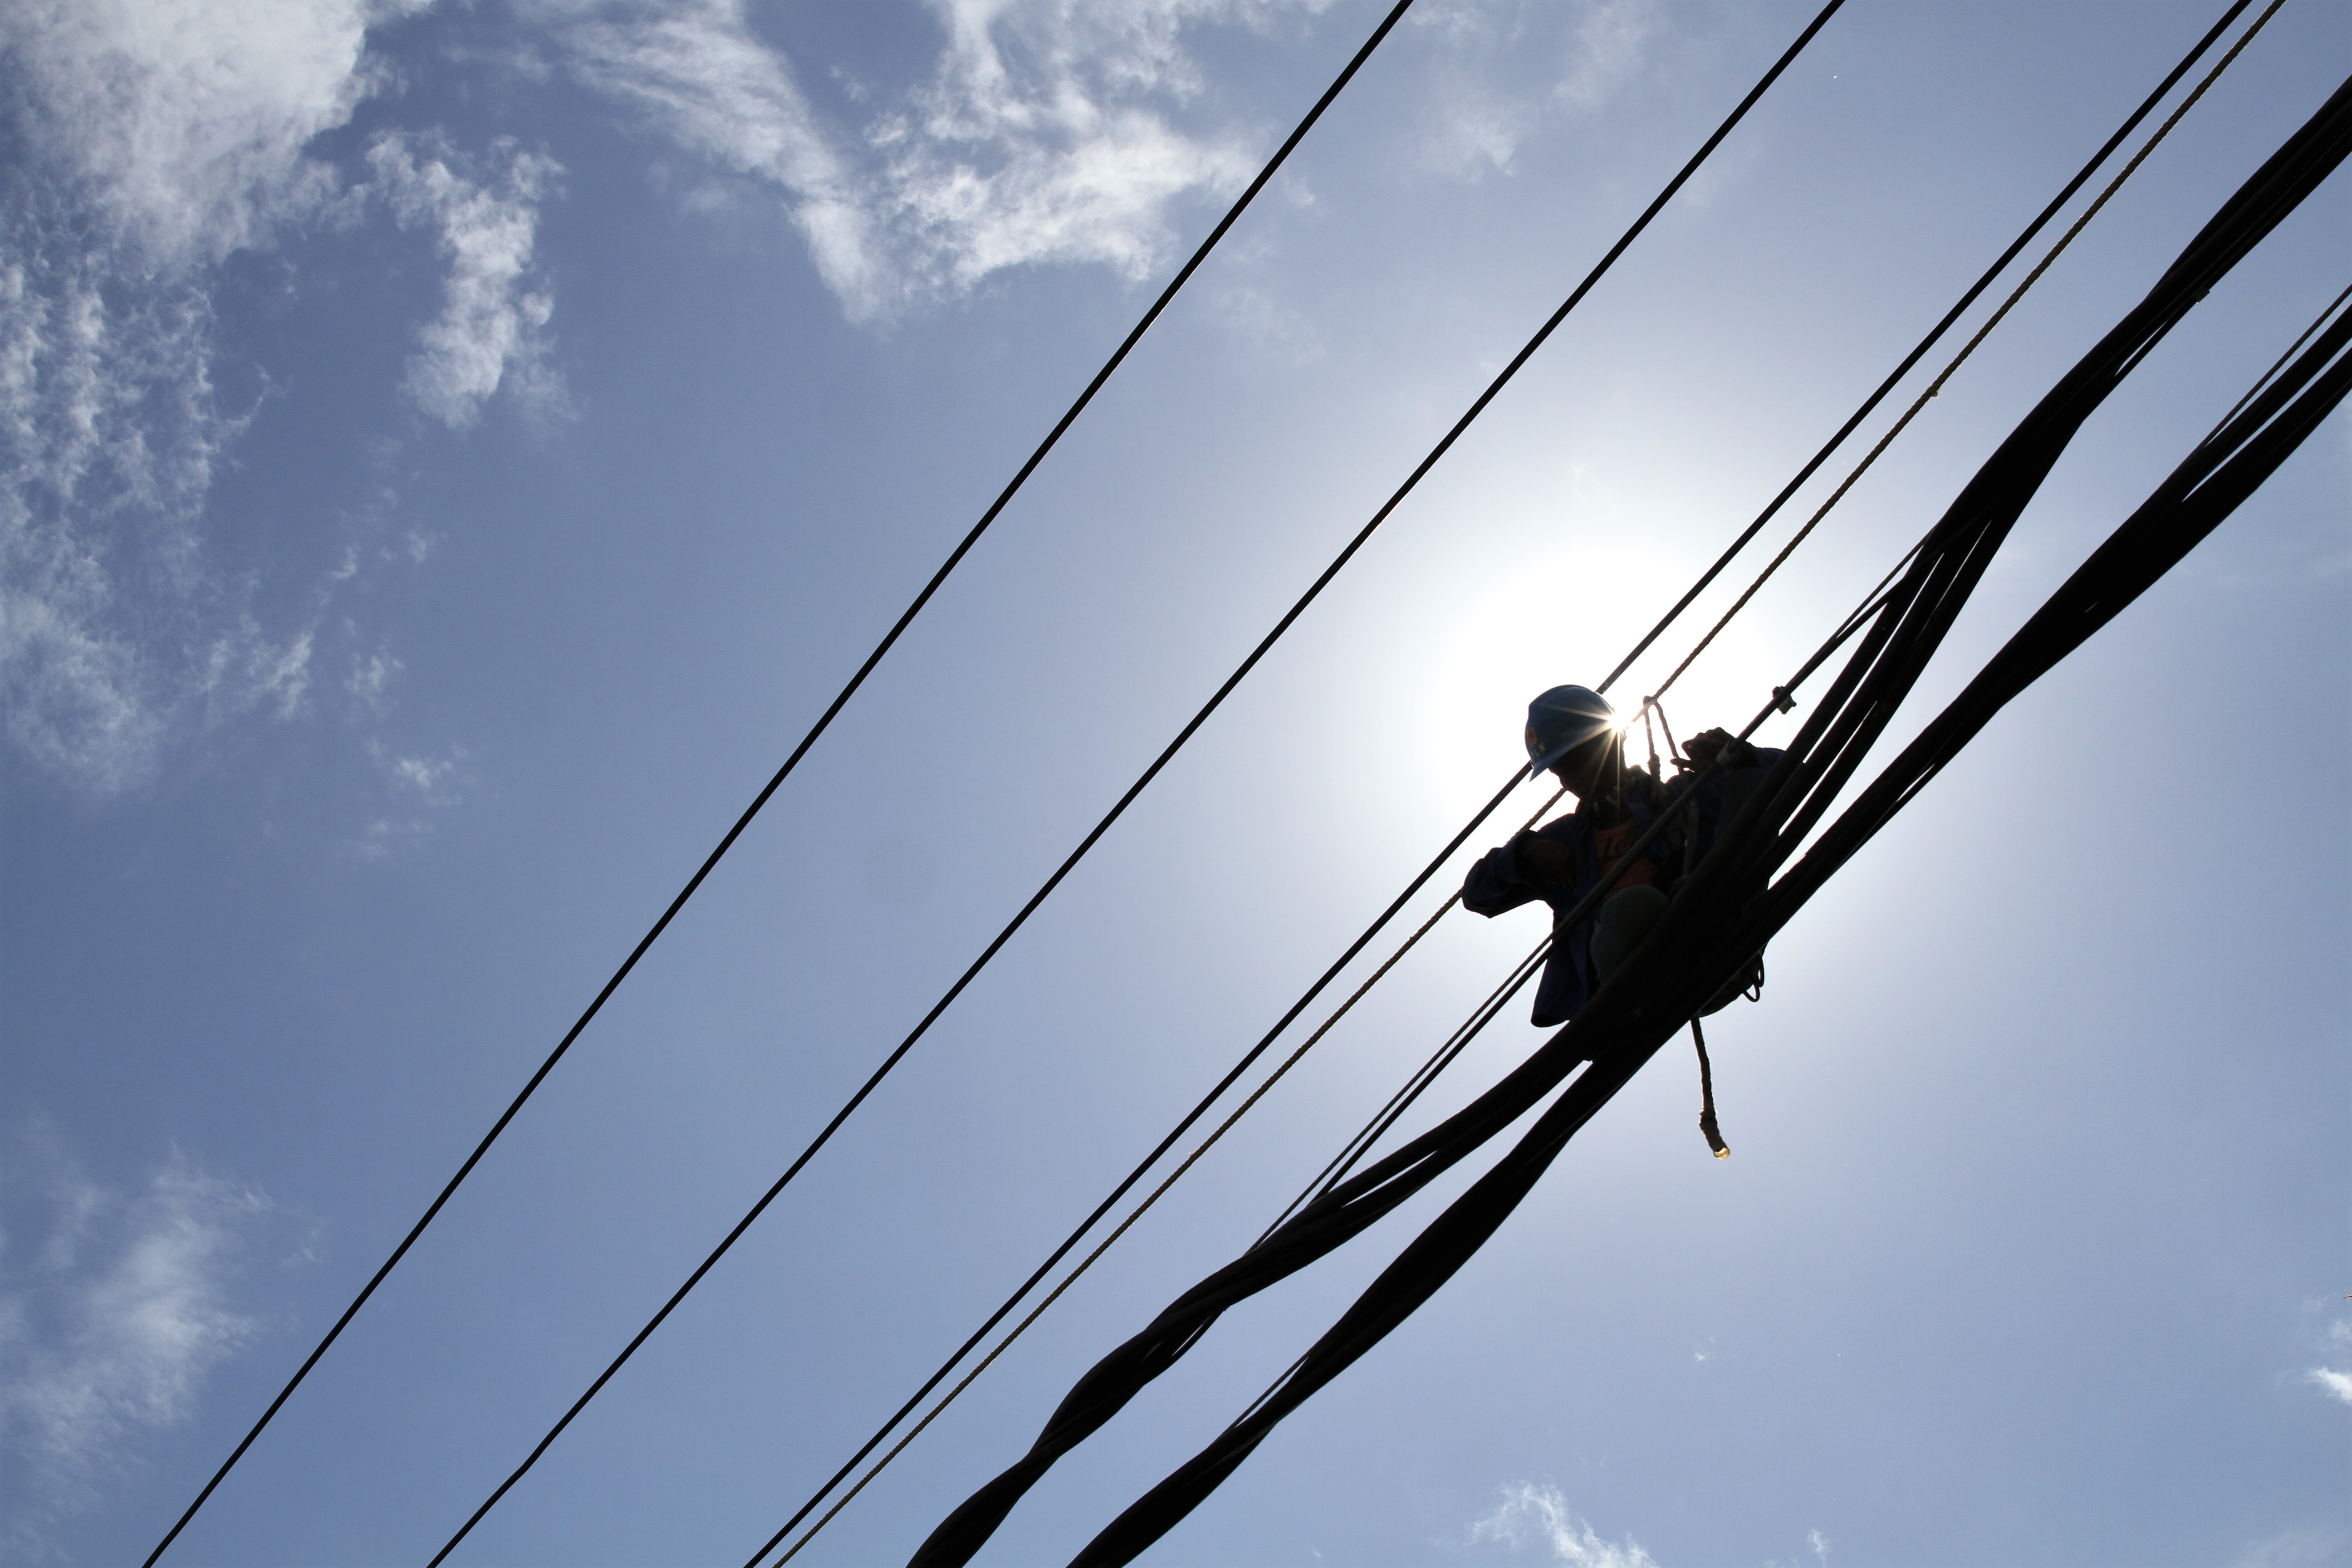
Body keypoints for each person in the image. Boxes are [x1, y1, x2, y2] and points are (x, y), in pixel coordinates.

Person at [1461, 685, 1776, 1028]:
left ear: (1613, 741)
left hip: (1717, 940)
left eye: (1575, 761)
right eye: (1559, 771)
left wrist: (1741, 758)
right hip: (1637, 985)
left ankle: (1714, 922)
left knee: (1750, 783)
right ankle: (1618, 1017)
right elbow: (1477, 894)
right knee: (1634, 906)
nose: (1569, 780)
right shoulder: (1568, 840)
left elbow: (1790, 772)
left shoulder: (1683, 798)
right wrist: (1523, 852)